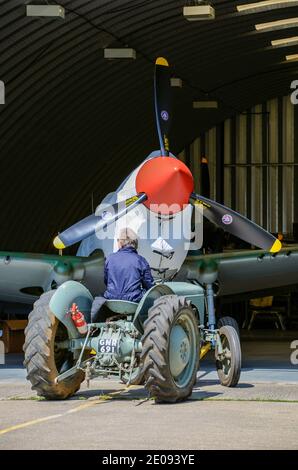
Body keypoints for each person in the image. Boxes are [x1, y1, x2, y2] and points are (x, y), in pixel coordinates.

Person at [90, 228, 154, 322]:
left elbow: (106, 281)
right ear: (135, 244)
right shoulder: (141, 260)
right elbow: (149, 286)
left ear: (120, 243)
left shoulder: (109, 258)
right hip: (133, 302)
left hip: (112, 301)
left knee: (99, 297)